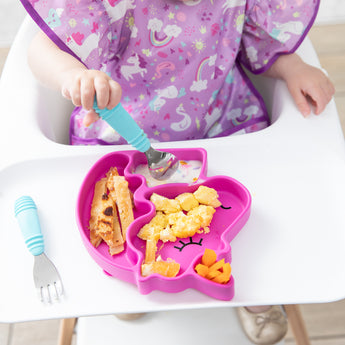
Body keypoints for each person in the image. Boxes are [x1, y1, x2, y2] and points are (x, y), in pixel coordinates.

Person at [22, 0, 334, 344]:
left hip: (222, 123)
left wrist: (293, 66)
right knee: (118, 220)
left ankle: (253, 292)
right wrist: (74, 76)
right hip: (126, 133)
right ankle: (125, 273)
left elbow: (257, 42)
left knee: (249, 215)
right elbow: (41, 50)